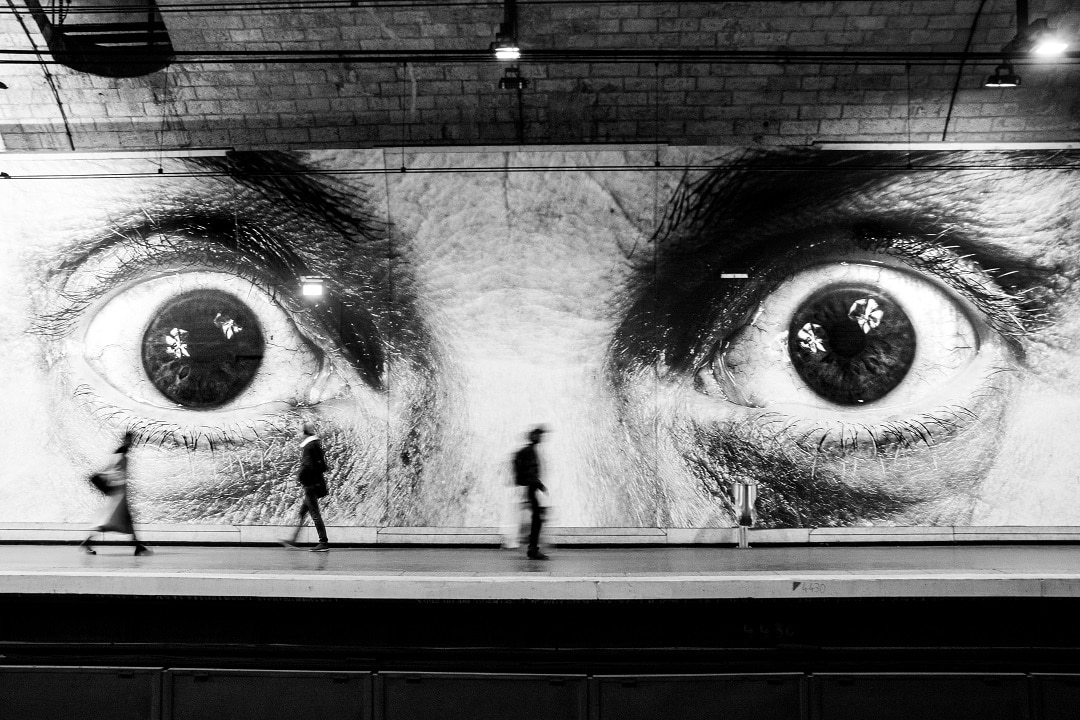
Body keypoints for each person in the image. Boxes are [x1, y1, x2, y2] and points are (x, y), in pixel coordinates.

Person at [79, 432, 151, 556]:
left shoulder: (122, 454)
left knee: (126, 521)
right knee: (109, 522)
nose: (131, 443)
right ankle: (87, 542)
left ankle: (138, 546)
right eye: (129, 440)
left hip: (120, 495)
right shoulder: (120, 455)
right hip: (118, 496)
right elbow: (112, 472)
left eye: (132, 440)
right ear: (125, 440)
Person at [281, 421, 330, 552]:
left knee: (315, 514)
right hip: (315, 483)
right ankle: (294, 540)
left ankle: (323, 542)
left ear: (305, 433)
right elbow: (323, 466)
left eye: (301, 432)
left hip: (310, 485)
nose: (300, 435)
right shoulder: (316, 444)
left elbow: (307, 466)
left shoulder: (309, 446)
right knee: (303, 512)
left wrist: (301, 477)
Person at [514, 426, 549, 560]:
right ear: (534, 437)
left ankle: (532, 547)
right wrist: (540, 486)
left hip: (530, 487)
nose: (541, 438)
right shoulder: (529, 451)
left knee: (536, 519)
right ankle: (532, 549)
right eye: (539, 435)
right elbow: (531, 472)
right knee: (537, 520)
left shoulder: (530, 450)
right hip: (530, 488)